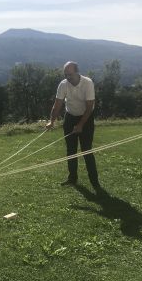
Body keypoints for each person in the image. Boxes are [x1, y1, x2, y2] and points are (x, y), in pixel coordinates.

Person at [46, 61, 102, 192]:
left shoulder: (88, 83)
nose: (68, 77)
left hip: (86, 118)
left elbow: (89, 107)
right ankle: (72, 178)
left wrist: (81, 125)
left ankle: (95, 182)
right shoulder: (63, 84)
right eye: (66, 75)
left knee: (86, 150)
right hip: (70, 117)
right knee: (71, 151)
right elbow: (57, 104)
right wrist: (51, 121)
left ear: (77, 72)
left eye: (70, 74)